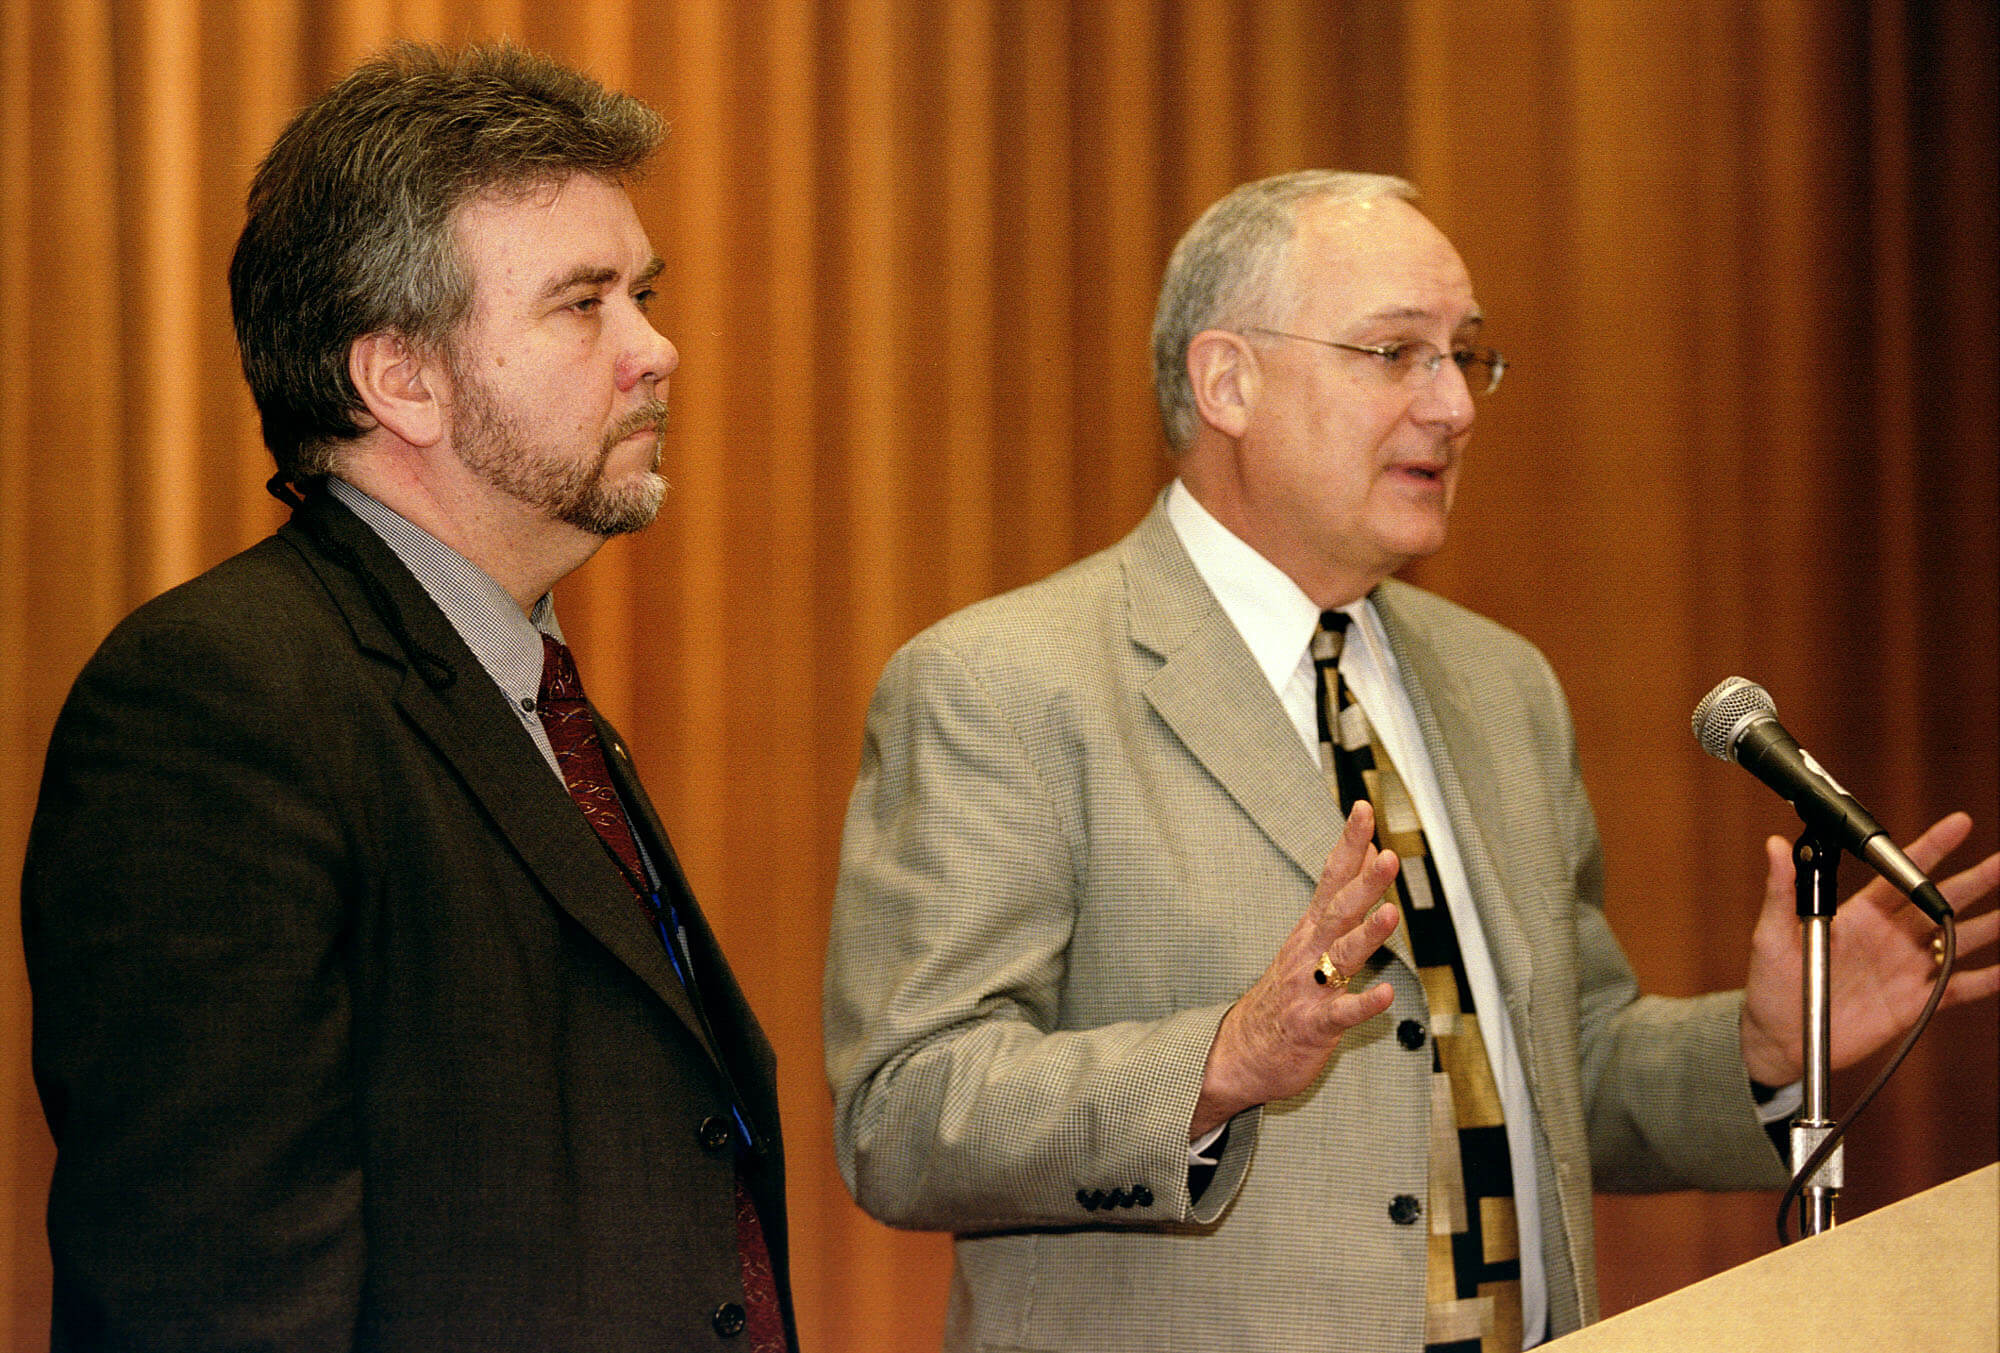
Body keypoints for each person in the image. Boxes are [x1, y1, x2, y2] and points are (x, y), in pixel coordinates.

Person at [822, 170, 1998, 1352]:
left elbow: (1558, 1072)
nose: (1454, 407)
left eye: (1464, 356)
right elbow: (907, 1112)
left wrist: (1759, 1049)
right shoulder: (1007, 682)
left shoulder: (1498, 685)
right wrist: (1220, 1062)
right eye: (1394, 354)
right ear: (1225, 380)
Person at [23, 44, 793, 1352]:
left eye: (644, 292)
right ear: (402, 380)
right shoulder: (216, 701)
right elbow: (211, 1298)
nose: (656, 348)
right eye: (583, 303)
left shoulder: (538, 703)